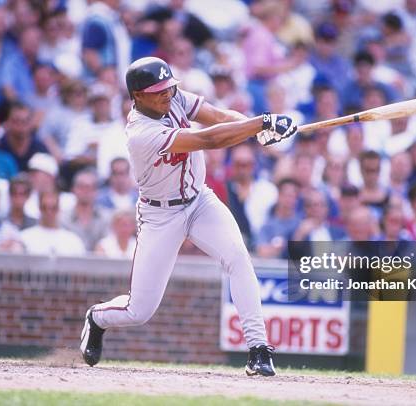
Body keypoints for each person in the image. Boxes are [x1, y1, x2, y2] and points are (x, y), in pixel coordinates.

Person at [81, 57, 298, 377]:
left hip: (200, 200)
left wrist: (256, 131)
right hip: (160, 214)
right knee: (139, 310)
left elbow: (220, 117)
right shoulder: (141, 133)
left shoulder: (174, 96)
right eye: (157, 91)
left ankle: (258, 349)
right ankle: (97, 318)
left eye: (168, 87)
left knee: (238, 258)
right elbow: (208, 139)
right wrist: (262, 123)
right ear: (137, 96)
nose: (166, 94)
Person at [21, 190, 85, 257]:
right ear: (39, 208)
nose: (49, 212)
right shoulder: (24, 238)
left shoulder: (73, 241)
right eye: (44, 208)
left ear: (59, 209)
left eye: (53, 208)